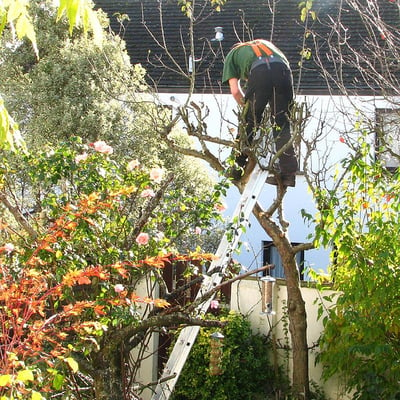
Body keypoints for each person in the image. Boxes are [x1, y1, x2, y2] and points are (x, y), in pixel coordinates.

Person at [222, 39, 298, 187]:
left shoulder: (232, 55)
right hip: (283, 73)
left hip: (260, 73)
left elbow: (235, 91)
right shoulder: (266, 44)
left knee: (249, 122)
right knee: (282, 123)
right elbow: (283, 65)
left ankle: (236, 169)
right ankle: (288, 175)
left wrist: (248, 106)